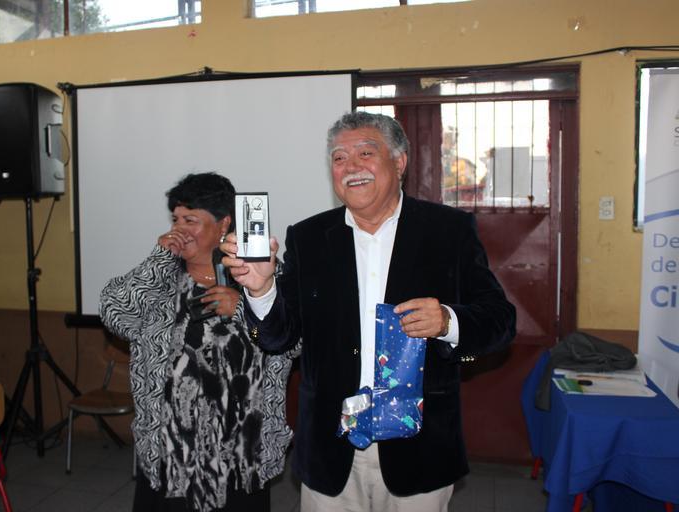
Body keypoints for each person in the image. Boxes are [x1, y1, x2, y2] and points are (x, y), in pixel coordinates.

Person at [223, 112, 516, 512]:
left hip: (420, 446)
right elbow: (277, 337)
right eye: (339, 158)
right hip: (332, 446)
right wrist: (260, 290)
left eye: (365, 153)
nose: (351, 167)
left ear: (399, 162)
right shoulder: (309, 237)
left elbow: (500, 321)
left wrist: (448, 321)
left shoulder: (448, 231)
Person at [99, 172, 295, 512]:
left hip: (241, 454)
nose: (179, 229)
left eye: (190, 220)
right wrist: (159, 258)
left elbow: (293, 342)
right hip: (170, 452)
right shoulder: (160, 281)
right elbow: (115, 314)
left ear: (224, 224)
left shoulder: (263, 278)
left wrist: (244, 309)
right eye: (175, 219)